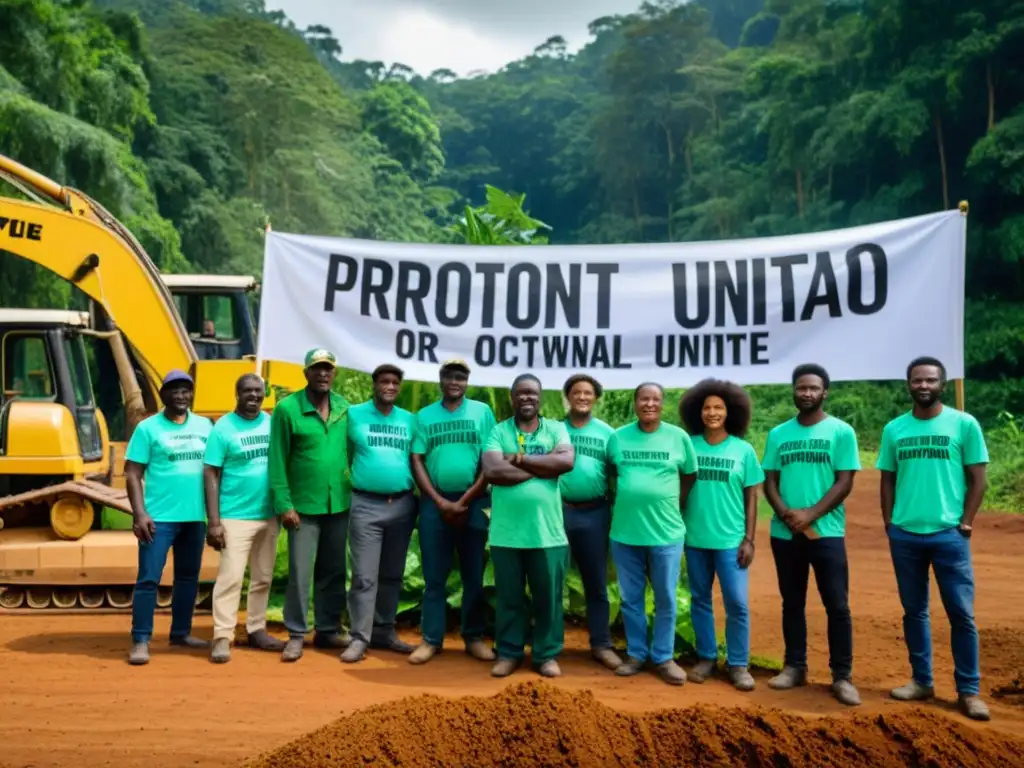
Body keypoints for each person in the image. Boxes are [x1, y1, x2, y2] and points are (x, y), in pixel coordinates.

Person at [878, 357, 991, 721]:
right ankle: (922, 681)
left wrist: (966, 521)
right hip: (906, 534)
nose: (923, 386)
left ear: (942, 384)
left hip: (948, 535)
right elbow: (888, 479)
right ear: (908, 384)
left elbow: (978, 478)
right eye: (917, 380)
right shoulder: (895, 429)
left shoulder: (963, 424)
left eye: (930, 380)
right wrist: (890, 522)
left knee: (961, 614)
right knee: (914, 611)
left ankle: (969, 691)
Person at [762, 363, 861, 706]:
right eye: (801, 388)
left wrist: (810, 515)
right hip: (785, 533)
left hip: (826, 532)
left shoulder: (840, 432)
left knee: (837, 604)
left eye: (812, 388)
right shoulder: (778, 434)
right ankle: (795, 666)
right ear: (793, 391)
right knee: (793, 602)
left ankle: (842, 676)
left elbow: (845, 481)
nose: (806, 393)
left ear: (824, 392)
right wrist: (787, 515)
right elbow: (770, 481)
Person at [482, 373, 575, 678]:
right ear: (512, 398)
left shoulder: (556, 429)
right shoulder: (498, 431)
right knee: (509, 598)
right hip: (506, 534)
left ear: (540, 397)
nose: (527, 398)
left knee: (548, 598)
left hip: (547, 533)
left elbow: (565, 463)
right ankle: (509, 653)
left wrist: (517, 459)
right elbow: (494, 471)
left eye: (532, 394)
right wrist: (540, 466)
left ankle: (545, 655)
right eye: (521, 394)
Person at [608, 382, 697, 686]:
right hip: (624, 534)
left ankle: (663, 657)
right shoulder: (617, 438)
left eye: (655, 399)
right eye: (643, 399)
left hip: (666, 534)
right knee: (631, 598)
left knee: (666, 599)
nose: (649, 404)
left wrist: (670, 503)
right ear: (635, 403)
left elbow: (689, 476)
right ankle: (635, 654)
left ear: (662, 403)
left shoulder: (678, 438)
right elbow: (610, 475)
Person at [408, 359, 497, 665]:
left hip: (474, 503)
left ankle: (473, 637)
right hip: (435, 503)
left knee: (474, 575)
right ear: (441, 380)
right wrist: (438, 500)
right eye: (450, 376)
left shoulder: (481, 413)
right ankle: (431, 639)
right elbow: (417, 459)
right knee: (434, 576)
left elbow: (490, 457)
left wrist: (466, 499)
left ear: (467, 381)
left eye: (461, 377)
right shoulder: (425, 416)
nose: (455, 381)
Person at [268, 348, 353, 663]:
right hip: (302, 508)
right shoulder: (288, 409)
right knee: (300, 572)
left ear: (334, 373)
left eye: (328, 369)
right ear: (306, 373)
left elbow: (352, 451)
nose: (323, 374)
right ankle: (295, 634)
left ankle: (328, 629)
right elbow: (277, 461)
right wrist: (284, 504)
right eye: (316, 369)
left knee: (333, 571)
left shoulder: (344, 408)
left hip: (338, 504)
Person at [124, 370, 214, 666]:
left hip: (194, 518)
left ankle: (180, 633)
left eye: (186, 390)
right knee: (148, 578)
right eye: (174, 390)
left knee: (187, 578)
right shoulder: (148, 429)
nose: (180, 395)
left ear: (192, 395)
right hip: (158, 519)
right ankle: (140, 639)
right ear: (163, 395)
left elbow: (214, 471)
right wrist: (140, 513)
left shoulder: (205, 426)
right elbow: (133, 473)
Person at [679, 378, 763, 691]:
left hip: (731, 542)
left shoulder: (743, 450)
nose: (712, 412)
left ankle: (739, 664)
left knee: (737, 603)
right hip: (695, 539)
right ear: (697, 411)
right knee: (700, 599)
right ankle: (706, 657)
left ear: (730, 412)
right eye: (707, 407)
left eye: (719, 407)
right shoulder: (689, 445)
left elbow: (752, 497)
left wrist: (749, 539)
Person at [204, 373, 284, 664]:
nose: (253, 396)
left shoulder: (271, 422)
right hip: (235, 515)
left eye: (258, 391)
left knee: (263, 577)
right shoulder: (223, 428)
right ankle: (222, 635)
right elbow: (210, 472)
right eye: (247, 391)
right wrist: (213, 521)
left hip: (269, 514)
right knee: (231, 577)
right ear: (236, 394)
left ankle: (256, 628)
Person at [342, 363, 418, 663]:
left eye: (395, 383)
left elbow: (415, 460)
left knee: (392, 575)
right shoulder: (355, 415)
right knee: (363, 576)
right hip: (366, 505)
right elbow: (346, 453)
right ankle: (360, 637)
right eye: (384, 381)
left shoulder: (409, 420)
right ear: (374, 384)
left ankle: (385, 631)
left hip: (401, 505)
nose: (389, 387)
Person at [558, 373, 621, 671]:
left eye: (588, 393)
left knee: (595, 581)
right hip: (557, 512)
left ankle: (601, 644)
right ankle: (550, 644)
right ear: (568, 397)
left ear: (595, 398)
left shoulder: (609, 434)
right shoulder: (553, 430)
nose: (582, 397)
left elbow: (617, 473)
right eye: (576, 392)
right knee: (552, 578)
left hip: (595, 513)